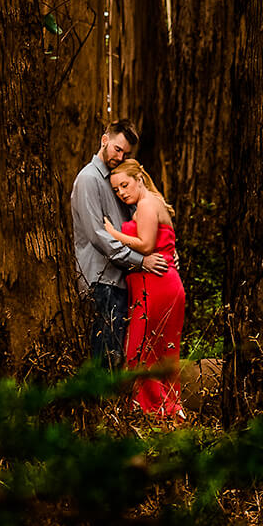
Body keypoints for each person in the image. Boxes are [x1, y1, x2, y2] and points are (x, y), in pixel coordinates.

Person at [70, 120, 169, 373]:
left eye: (125, 153)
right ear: (104, 140)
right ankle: (101, 410)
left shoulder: (118, 180)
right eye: (117, 149)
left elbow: (139, 224)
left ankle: (114, 408)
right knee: (104, 356)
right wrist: (141, 261)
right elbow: (98, 236)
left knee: (117, 355)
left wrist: (166, 250)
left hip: (123, 279)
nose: (120, 156)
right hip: (102, 281)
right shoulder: (89, 180)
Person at [102, 157, 188, 420]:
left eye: (125, 185)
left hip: (158, 284)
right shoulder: (145, 204)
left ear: (139, 179)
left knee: (146, 350)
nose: (122, 192)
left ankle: (158, 410)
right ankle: (159, 409)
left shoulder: (148, 203)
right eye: (117, 190)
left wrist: (112, 232)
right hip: (154, 284)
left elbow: (147, 244)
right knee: (154, 349)